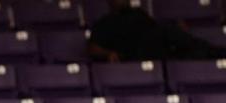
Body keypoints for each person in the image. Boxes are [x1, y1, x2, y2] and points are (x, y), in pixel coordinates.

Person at [88, 0, 226, 62]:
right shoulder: (104, 23)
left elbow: (153, 27)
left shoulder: (138, 13)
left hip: (158, 50)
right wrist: (108, 53)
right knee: (170, 33)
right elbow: (92, 48)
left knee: (188, 51)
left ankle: (216, 53)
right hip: (135, 55)